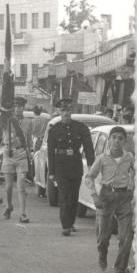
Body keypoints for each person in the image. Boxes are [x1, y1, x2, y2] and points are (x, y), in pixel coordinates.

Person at [84, 126, 134, 273]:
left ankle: (120, 268)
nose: (117, 141)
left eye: (120, 138)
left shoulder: (129, 157)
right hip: (106, 196)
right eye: (114, 137)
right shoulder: (102, 158)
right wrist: (94, 196)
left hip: (124, 197)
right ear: (110, 140)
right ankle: (102, 254)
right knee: (104, 235)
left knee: (126, 236)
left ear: (125, 141)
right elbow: (89, 177)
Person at [48, 98, 95, 236]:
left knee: (74, 196)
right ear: (58, 112)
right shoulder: (54, 130)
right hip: (60, 166)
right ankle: (65, 225)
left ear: (71, 111)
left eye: (68, 110)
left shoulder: (80, 127)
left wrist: (92, 165)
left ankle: (71, 221)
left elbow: (89, 147)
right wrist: (51, 171)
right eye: (63, 110)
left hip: (75, 164)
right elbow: (50, 152)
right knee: (64, 196)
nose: (66, 113)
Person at [0, 97, 32, 223]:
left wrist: (29, 152)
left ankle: (23, 213)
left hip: (21, 154)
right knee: (8, 186)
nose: (18, 109)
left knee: (21, 185)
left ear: (24, 108)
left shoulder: (28, 122)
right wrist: (4, 108)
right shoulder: (6, 120)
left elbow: (28, 140)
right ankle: (9, 205)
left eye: (20, 106)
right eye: (16, 106)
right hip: (8, 154)